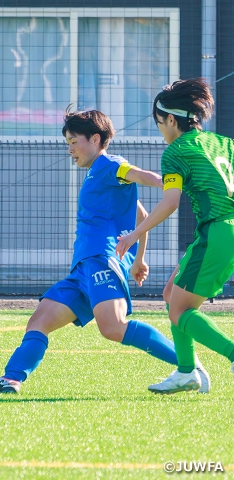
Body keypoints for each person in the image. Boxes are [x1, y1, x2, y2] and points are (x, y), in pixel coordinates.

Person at [0, 107, 210, 394]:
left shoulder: (109, 164)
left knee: (114, 327)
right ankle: (11, 380)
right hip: (82, 268)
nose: (70, 149)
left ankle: (190, 367)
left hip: (100, 261)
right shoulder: (98, 172)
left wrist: (165, 181)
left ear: (95, 139)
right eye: (67, 143)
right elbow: (140, 217)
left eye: (73, 142)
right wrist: (138, 258)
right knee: (39, 321)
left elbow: (142, 176)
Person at [116, 78, 234, 394]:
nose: (160, 131)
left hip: (218, 231)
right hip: (222, 230)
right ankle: (185, 372)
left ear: (171, 119)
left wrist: (134, 234)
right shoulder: (223, 143)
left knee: (180, 310)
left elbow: (170, 202)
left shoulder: (176, 152)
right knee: (171, 294)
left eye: (159, 123)